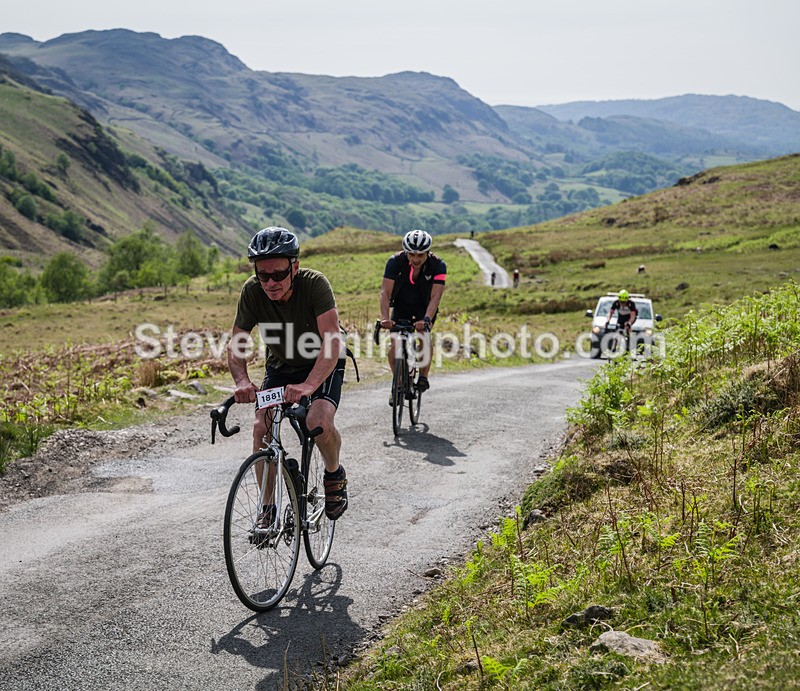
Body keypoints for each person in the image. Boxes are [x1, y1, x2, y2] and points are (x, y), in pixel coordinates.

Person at [227, 227, 348, 523]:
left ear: (295, 267)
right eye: (263, 275)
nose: (270, 283)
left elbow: (332, 340)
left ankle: (334, 474)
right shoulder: (252, 291)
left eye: (278, 274)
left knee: (317, 421)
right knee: (261, 426)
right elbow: (237, 341)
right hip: (281, 366)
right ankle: (267, 508)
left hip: (322, 361)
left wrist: (309, 385)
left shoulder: (315, 284)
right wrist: (242, 381)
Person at [379, 229, 446, 396]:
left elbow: (436, 297)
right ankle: (399, 382)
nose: (416, 259)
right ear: (406, 252)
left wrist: (427, 318)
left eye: (421, 255)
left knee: (424, 335)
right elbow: (385, 293)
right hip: (401, 306)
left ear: (428, 253)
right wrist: (385, 318)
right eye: (411, 255)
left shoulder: (438, 265)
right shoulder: (395, 262)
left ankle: (423, 377)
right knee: (395, 344)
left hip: (425, 307)